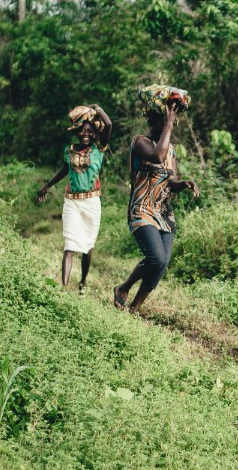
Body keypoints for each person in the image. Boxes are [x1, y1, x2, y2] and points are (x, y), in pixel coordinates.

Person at [113, 85, 199, 314]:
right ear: (153, 121)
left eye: (170, 123)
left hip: (164, 213)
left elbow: (170, 182)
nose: (169, 127)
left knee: (161, 264)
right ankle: (123, 288)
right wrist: (168, 124)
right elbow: (156, 156)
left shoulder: (171, 151)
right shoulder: (140, 142)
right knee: (155, 257)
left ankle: (135, 308)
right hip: (141, 210)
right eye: (165, 122)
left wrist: (184, 184)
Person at [36, 104, 112, 294]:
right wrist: (47, 186)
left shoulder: (98, 149)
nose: (85, 134)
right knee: (69, 246)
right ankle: (64, 288)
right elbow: (65, 170)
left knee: (87, 247)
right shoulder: (68, 150)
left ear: (94, 133)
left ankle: (83, 282)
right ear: (76, 132)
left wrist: (97, 109)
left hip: (92, 203)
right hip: (72, 202)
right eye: (81, 130)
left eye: (89, 131)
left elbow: (109, 124)